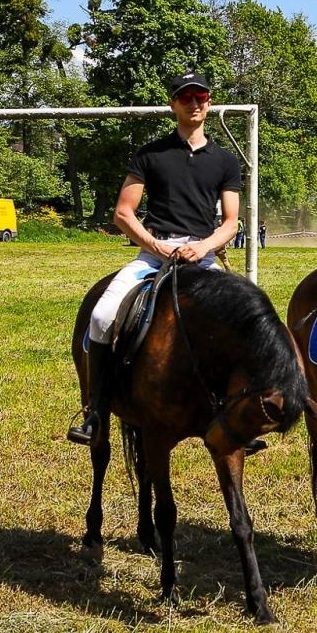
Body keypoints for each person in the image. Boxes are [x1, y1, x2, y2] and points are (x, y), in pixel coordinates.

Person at [67, 71, 244, 446]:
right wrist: (156, 245)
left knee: (245, 323)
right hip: (154, 253)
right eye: (186, 98)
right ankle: (95, 411)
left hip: (201, 256)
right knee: (100, 316)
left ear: (209, 103)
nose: (194, 104)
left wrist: (205, 247)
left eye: (201, 97)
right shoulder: (150, 154)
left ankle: (236, 414)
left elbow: (231, 222)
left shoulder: (225, 161)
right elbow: (123, 213)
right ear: (173, 104)